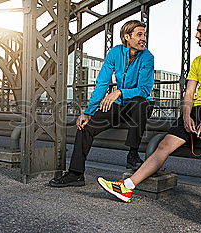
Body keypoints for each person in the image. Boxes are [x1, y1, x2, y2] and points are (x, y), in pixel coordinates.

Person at [97, 14, 201, 223]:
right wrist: (187, 116)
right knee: (163, 146)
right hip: (195, 110)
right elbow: (188, 94)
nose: (196, 35)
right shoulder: (197, 61)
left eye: (200, 31)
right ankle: (127, 187)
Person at [49, 20, 155, 187]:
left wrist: (119, 92)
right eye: (139, 35)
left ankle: (132, 155)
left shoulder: (147, 57)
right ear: (127, 37)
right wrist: (88, 112)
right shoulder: (115, 53)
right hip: (120, 105)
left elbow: (144, 89)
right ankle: (76, 174)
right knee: (85, 127)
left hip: (139, 106)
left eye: (144, 35)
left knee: (140, 102)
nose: (143, 38)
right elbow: (102, 83)